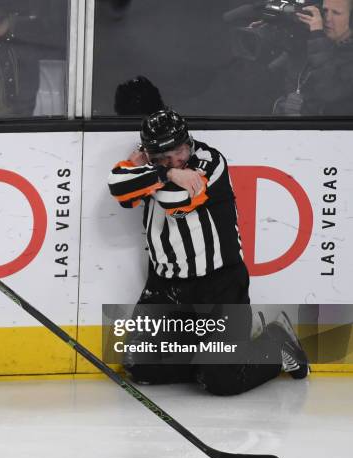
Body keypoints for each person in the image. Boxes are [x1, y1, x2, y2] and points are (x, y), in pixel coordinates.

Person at [107, 109, 309, 395]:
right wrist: (168, 172)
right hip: (166, 286)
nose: (173, 160)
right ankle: (210, 359)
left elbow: (171, 198)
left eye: (177, 152)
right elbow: (117, 186)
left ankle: (276, 342)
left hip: (219, 284)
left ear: (187, 142)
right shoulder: (167, 169)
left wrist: (145, 173)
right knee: (140, 366)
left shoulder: (210, 162)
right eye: (162, 157)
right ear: (149, 153)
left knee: (222, 382)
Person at [272, 0, 353, 115]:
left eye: (336, 13)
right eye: (324, 11)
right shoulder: (315, 42)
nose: (327, 18)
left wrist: (317, 34)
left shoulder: (319, 41)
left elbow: (330, 91)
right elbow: (275, 73)